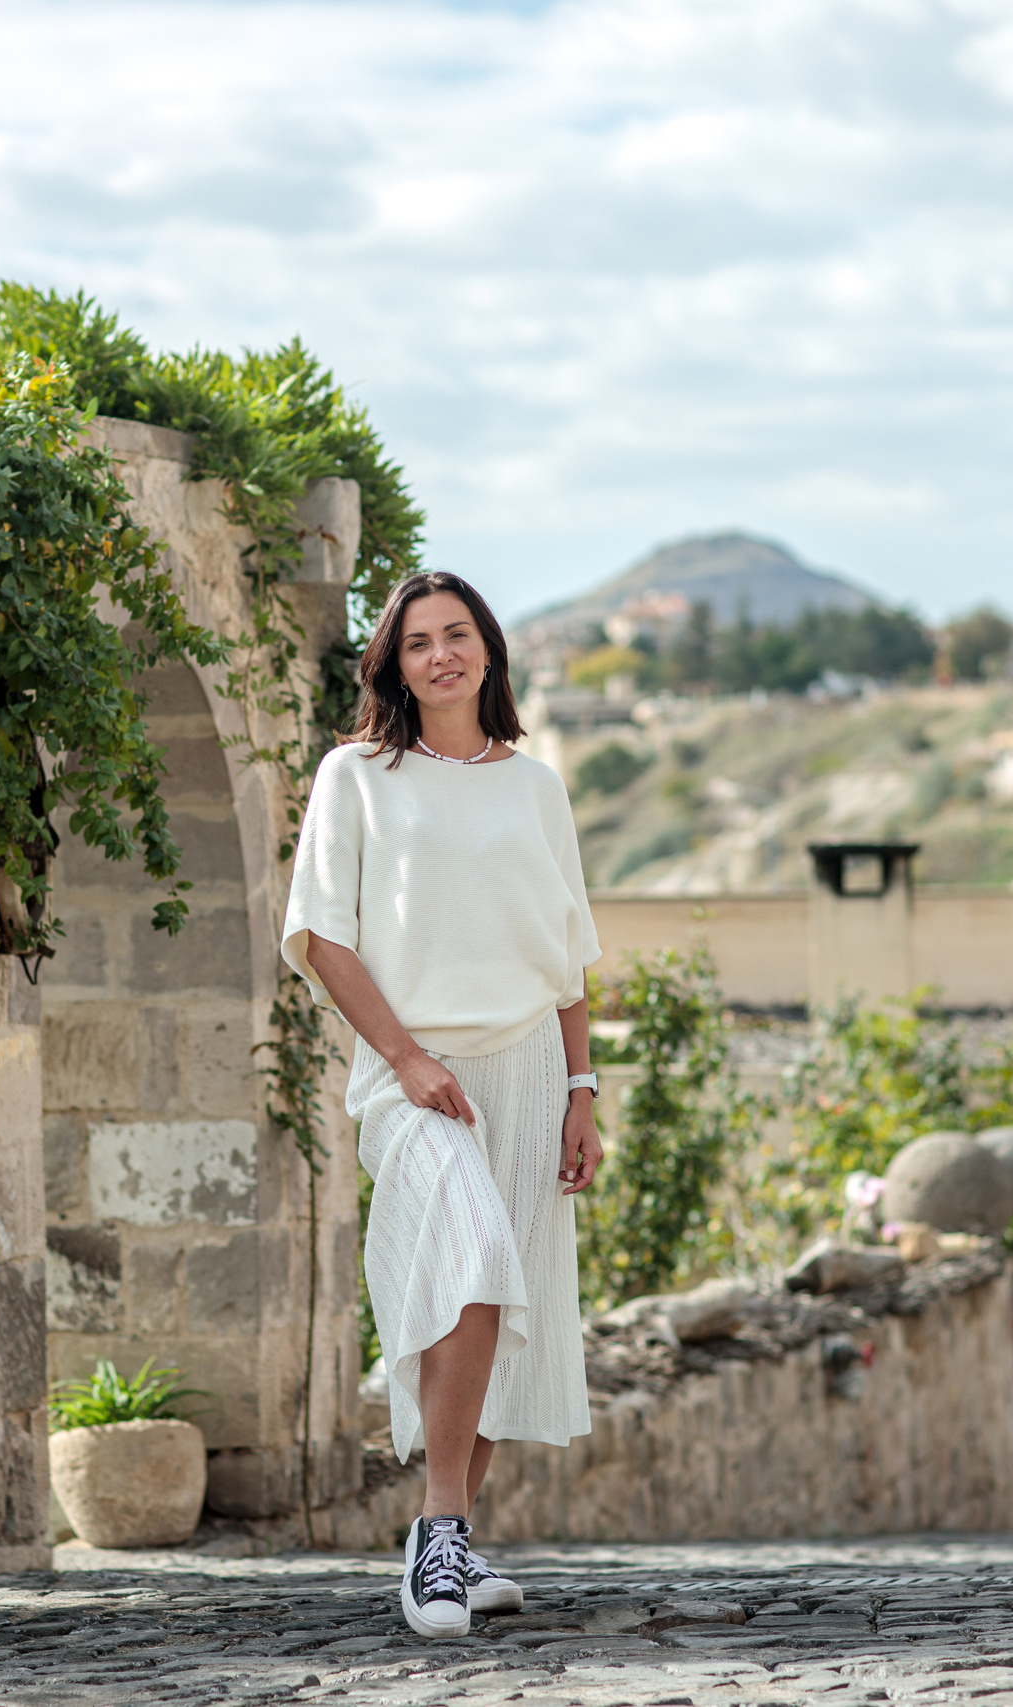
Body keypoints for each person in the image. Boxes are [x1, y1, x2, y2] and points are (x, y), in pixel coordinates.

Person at [281, 571, 605, 1639]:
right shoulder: (356, 776)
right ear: (395, 664)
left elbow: (567, 962)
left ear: (489, 651)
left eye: (457, 634)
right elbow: (324, 937)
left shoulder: (537, 788)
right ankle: (440, 1532)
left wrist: (582, 1090)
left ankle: (453, 1542)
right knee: (471, 1255)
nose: (441, 655)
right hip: (415, 1072)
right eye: (418, 641)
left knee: (508, 1293)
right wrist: (406, 1057)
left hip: (528, 1067)